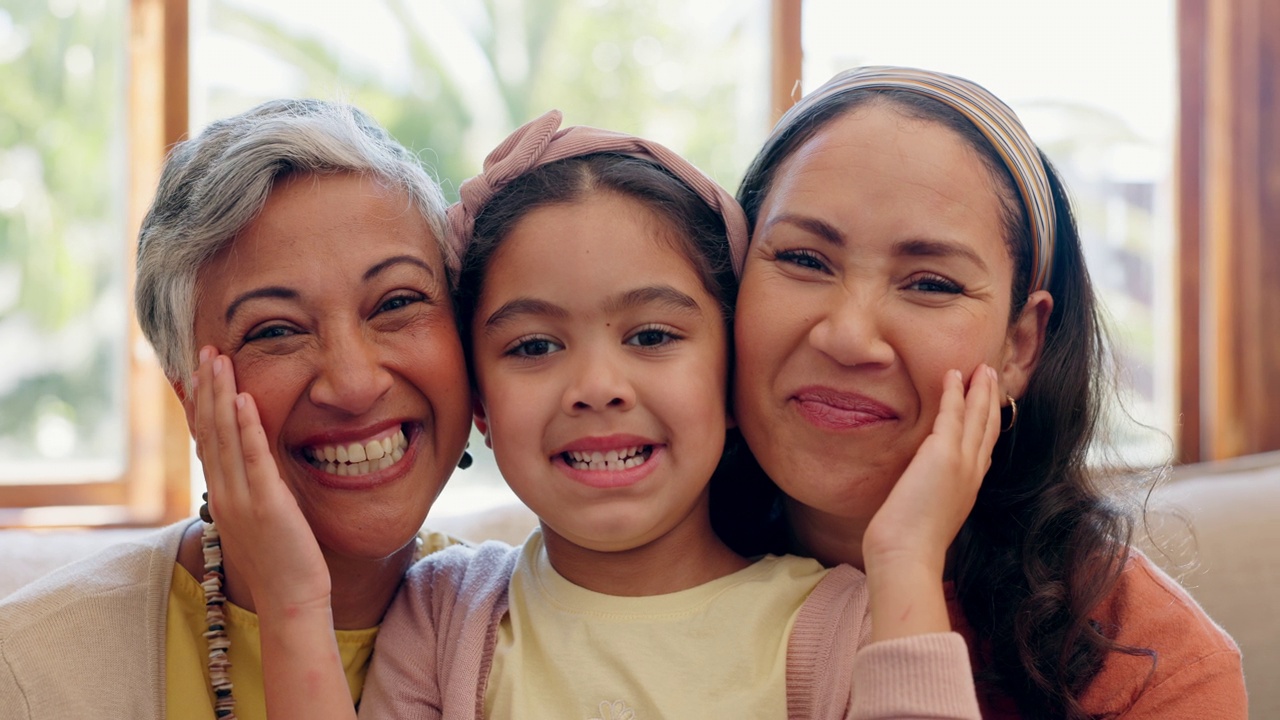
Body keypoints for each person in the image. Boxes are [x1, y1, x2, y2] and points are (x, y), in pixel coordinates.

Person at [202, 109, 1004, 719]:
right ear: (479, 404)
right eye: (534, 346)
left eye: (652, 335)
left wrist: (902, 558)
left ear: (731, 373)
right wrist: (294, 603)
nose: (595, 386)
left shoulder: (833, 623)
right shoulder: (446, 614)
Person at [719, 65, 1248, 718]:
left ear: (1019, 347)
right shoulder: (622, 569)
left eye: (931, 283)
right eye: (804, 260)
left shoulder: (1154, 664)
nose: (849, 337)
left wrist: (903, 566)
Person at [0, 99, 474, 720]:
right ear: (189, 396)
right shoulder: (34, 672)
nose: (354, 384)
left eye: (396, 303)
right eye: (275, 332)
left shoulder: (532, 618)